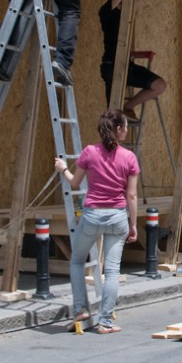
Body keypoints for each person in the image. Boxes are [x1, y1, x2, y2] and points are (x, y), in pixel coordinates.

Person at [54, 109, 138, 334]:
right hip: (118, 215)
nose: (128, 129)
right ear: (119, 130)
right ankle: (106, 323)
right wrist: (133, 225)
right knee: (111, 271)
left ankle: (81, 309)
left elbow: (75, 183)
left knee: (77, 262)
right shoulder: (129, 157)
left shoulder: (90, 152)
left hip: (92, 215)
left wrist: (63, 170)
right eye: (126, 126)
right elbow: (131, 196)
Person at [98, 0, 167, 120]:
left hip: (127, 66)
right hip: (112, 67)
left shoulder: (125, 12)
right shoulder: (106, 10)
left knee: (159, 85)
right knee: (113, 115)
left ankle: (128, 107)